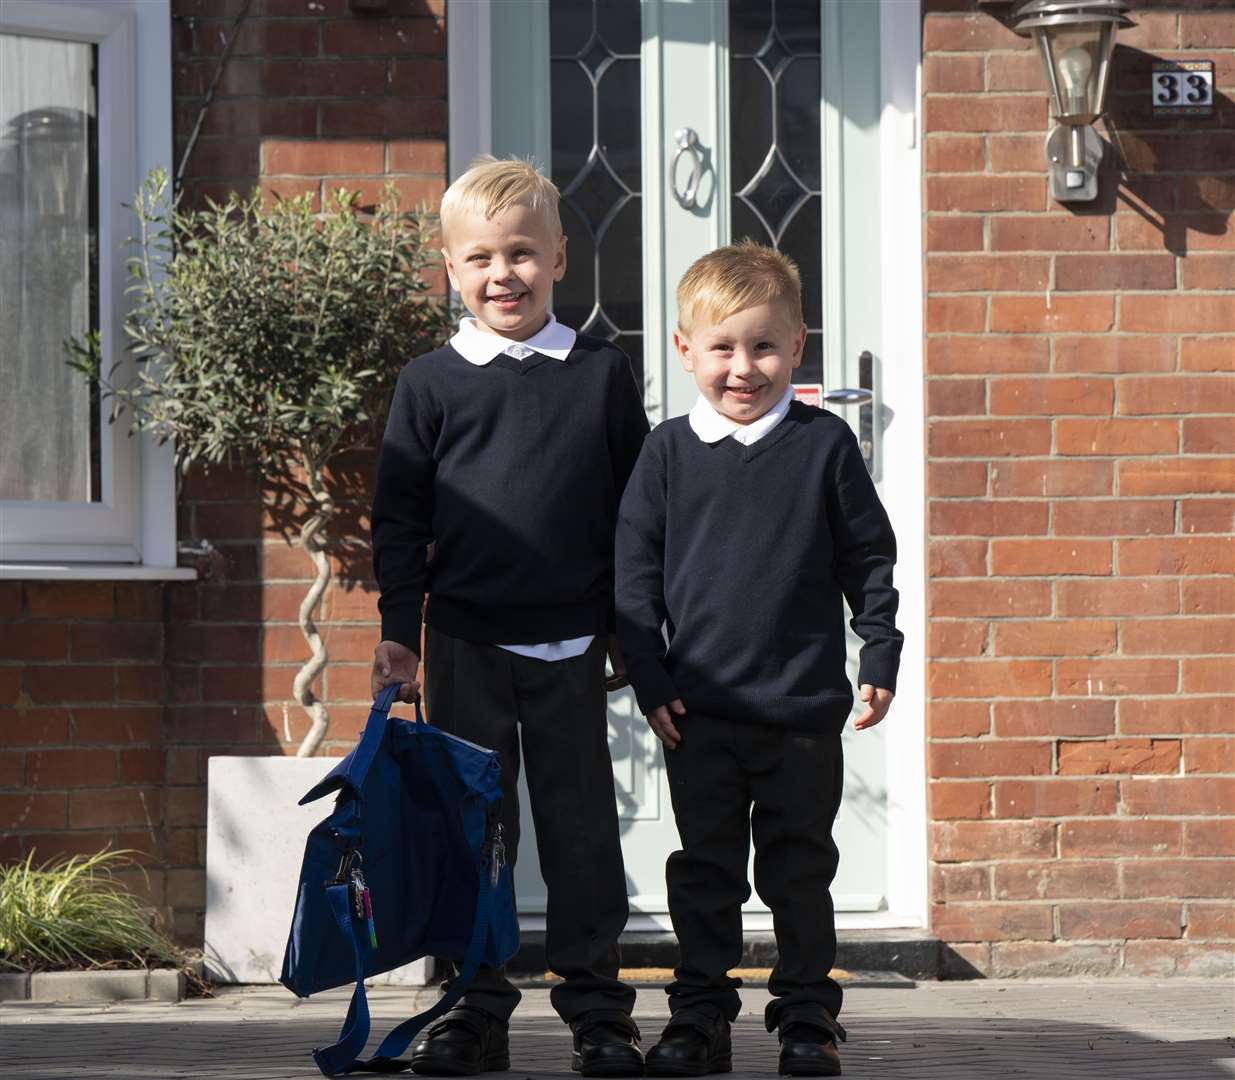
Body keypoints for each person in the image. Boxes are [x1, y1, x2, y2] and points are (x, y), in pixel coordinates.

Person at [370, 157, 650, 1077]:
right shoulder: (430, 384)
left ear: (560, 257)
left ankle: (599, 1012)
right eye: (481, 257)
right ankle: (471, 1009)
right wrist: (398, 634)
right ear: (450, 270)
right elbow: (402, 521)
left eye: (523, 253)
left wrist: (626, 627)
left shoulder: (602, 375)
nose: (504, 274)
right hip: (464, 644)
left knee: (580, 836)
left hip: (571, 645)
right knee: (472, 832)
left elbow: (633, 512)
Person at [615, 241, 902, 1078]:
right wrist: (650, 676)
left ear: (798, 344)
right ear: (683, 350)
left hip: (801, 711)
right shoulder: (665, 454)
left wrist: (878, 646)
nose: (743, 368)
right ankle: (699, 1016)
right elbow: (633, 582)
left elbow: (867, 559)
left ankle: (807, 1017)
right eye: (722, 349)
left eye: (763, 347)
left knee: (799, 870)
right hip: (696, 714)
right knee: (704, 872)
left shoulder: (824, 448)